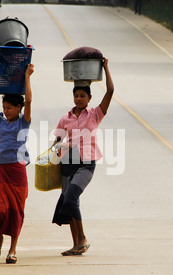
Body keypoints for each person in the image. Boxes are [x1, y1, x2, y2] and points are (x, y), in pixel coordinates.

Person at [53, 58, 114, 256]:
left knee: (71, 197)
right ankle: (76, 244)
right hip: (68, 163)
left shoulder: (95, 115)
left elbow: (110, 92)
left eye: (82, 96)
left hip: (86, 164)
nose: (79, 99)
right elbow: (57, 141)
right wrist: (58, 147)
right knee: (70, 201)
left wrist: (105, 68)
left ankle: (83, 239)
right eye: (76, 95)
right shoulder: (66, 118)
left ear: (89, 98)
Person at [0, 64, 34, 263]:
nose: (5, 111)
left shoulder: (23, 122)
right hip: (1, 169)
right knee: (2, 209)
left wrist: (27, 76)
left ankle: (13, 249)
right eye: (3, 108)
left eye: (9, 108)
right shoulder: (0, 122)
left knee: (17, 210)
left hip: (17, 171)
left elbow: (28, 99)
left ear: (18, 108)